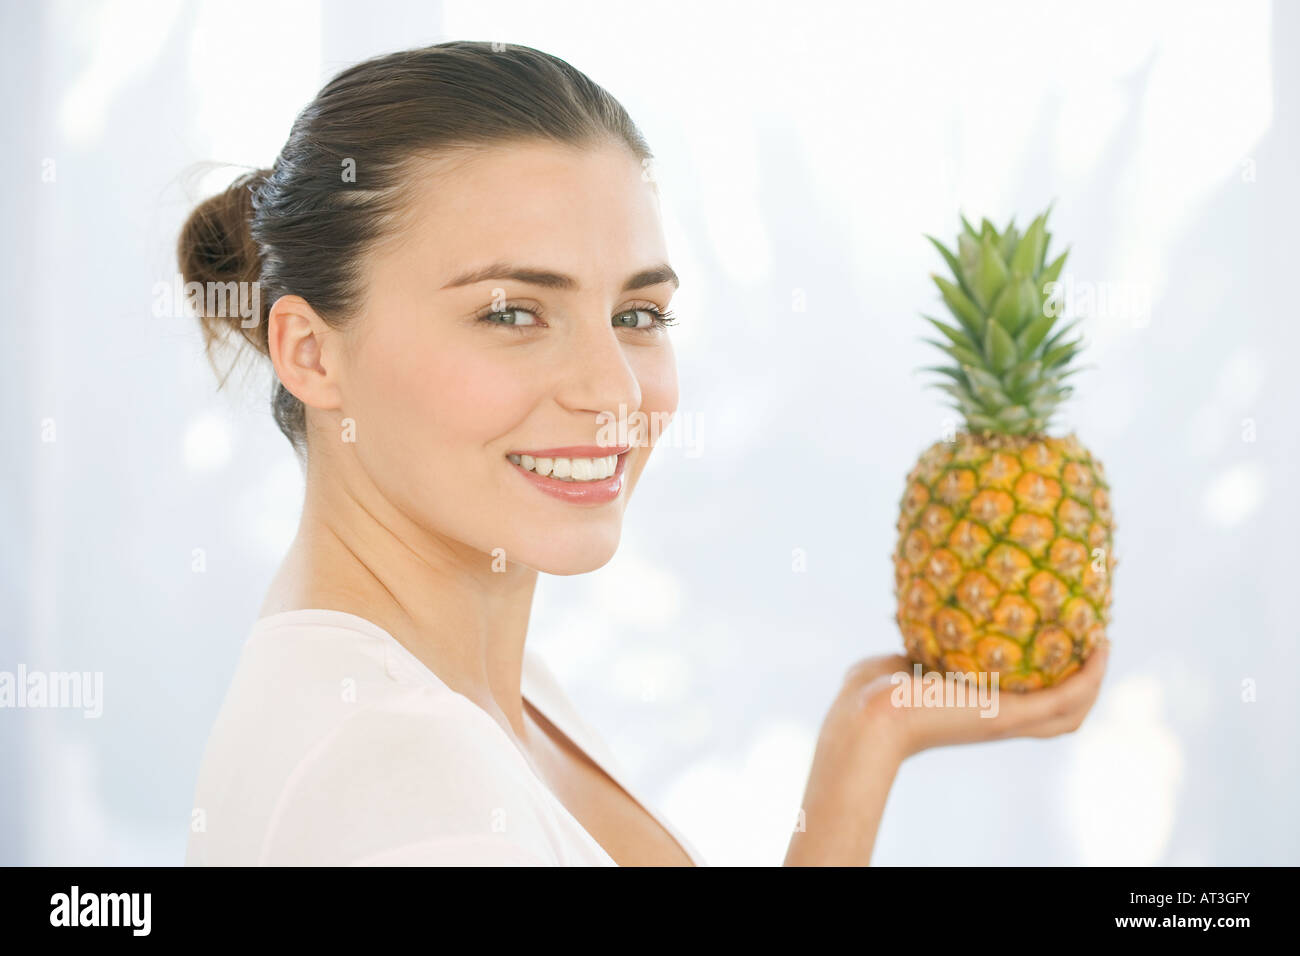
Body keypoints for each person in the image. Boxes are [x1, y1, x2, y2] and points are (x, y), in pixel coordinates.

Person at [180, 40, 1107, 867]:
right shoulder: (403, 783)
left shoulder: (463, 676)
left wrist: (868, 743)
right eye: (512, 312)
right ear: (312, 351)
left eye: (637, 316)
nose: (616, 392)